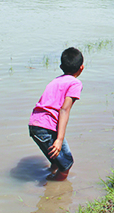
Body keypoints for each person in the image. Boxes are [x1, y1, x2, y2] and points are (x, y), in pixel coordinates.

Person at [29, 47, 84, 181]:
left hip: (35, 125)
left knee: (56, 161)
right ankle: (52, 193)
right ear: (81, 68)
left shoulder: (55, 81)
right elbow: (64, 109)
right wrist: (59, 140)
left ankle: (49, 174)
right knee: (66, 165)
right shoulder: (75, 83)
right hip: (46, 128)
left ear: (61, 66)